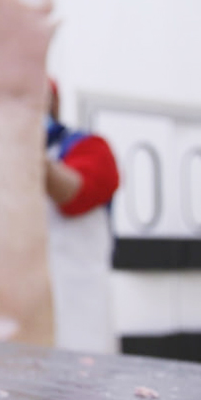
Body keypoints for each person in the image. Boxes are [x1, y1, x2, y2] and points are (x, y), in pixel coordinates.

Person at [43, 77, 121, 353]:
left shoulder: (91, 148)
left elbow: (73, 197)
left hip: (78, 312)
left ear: (54, 101)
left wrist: (29, 153)